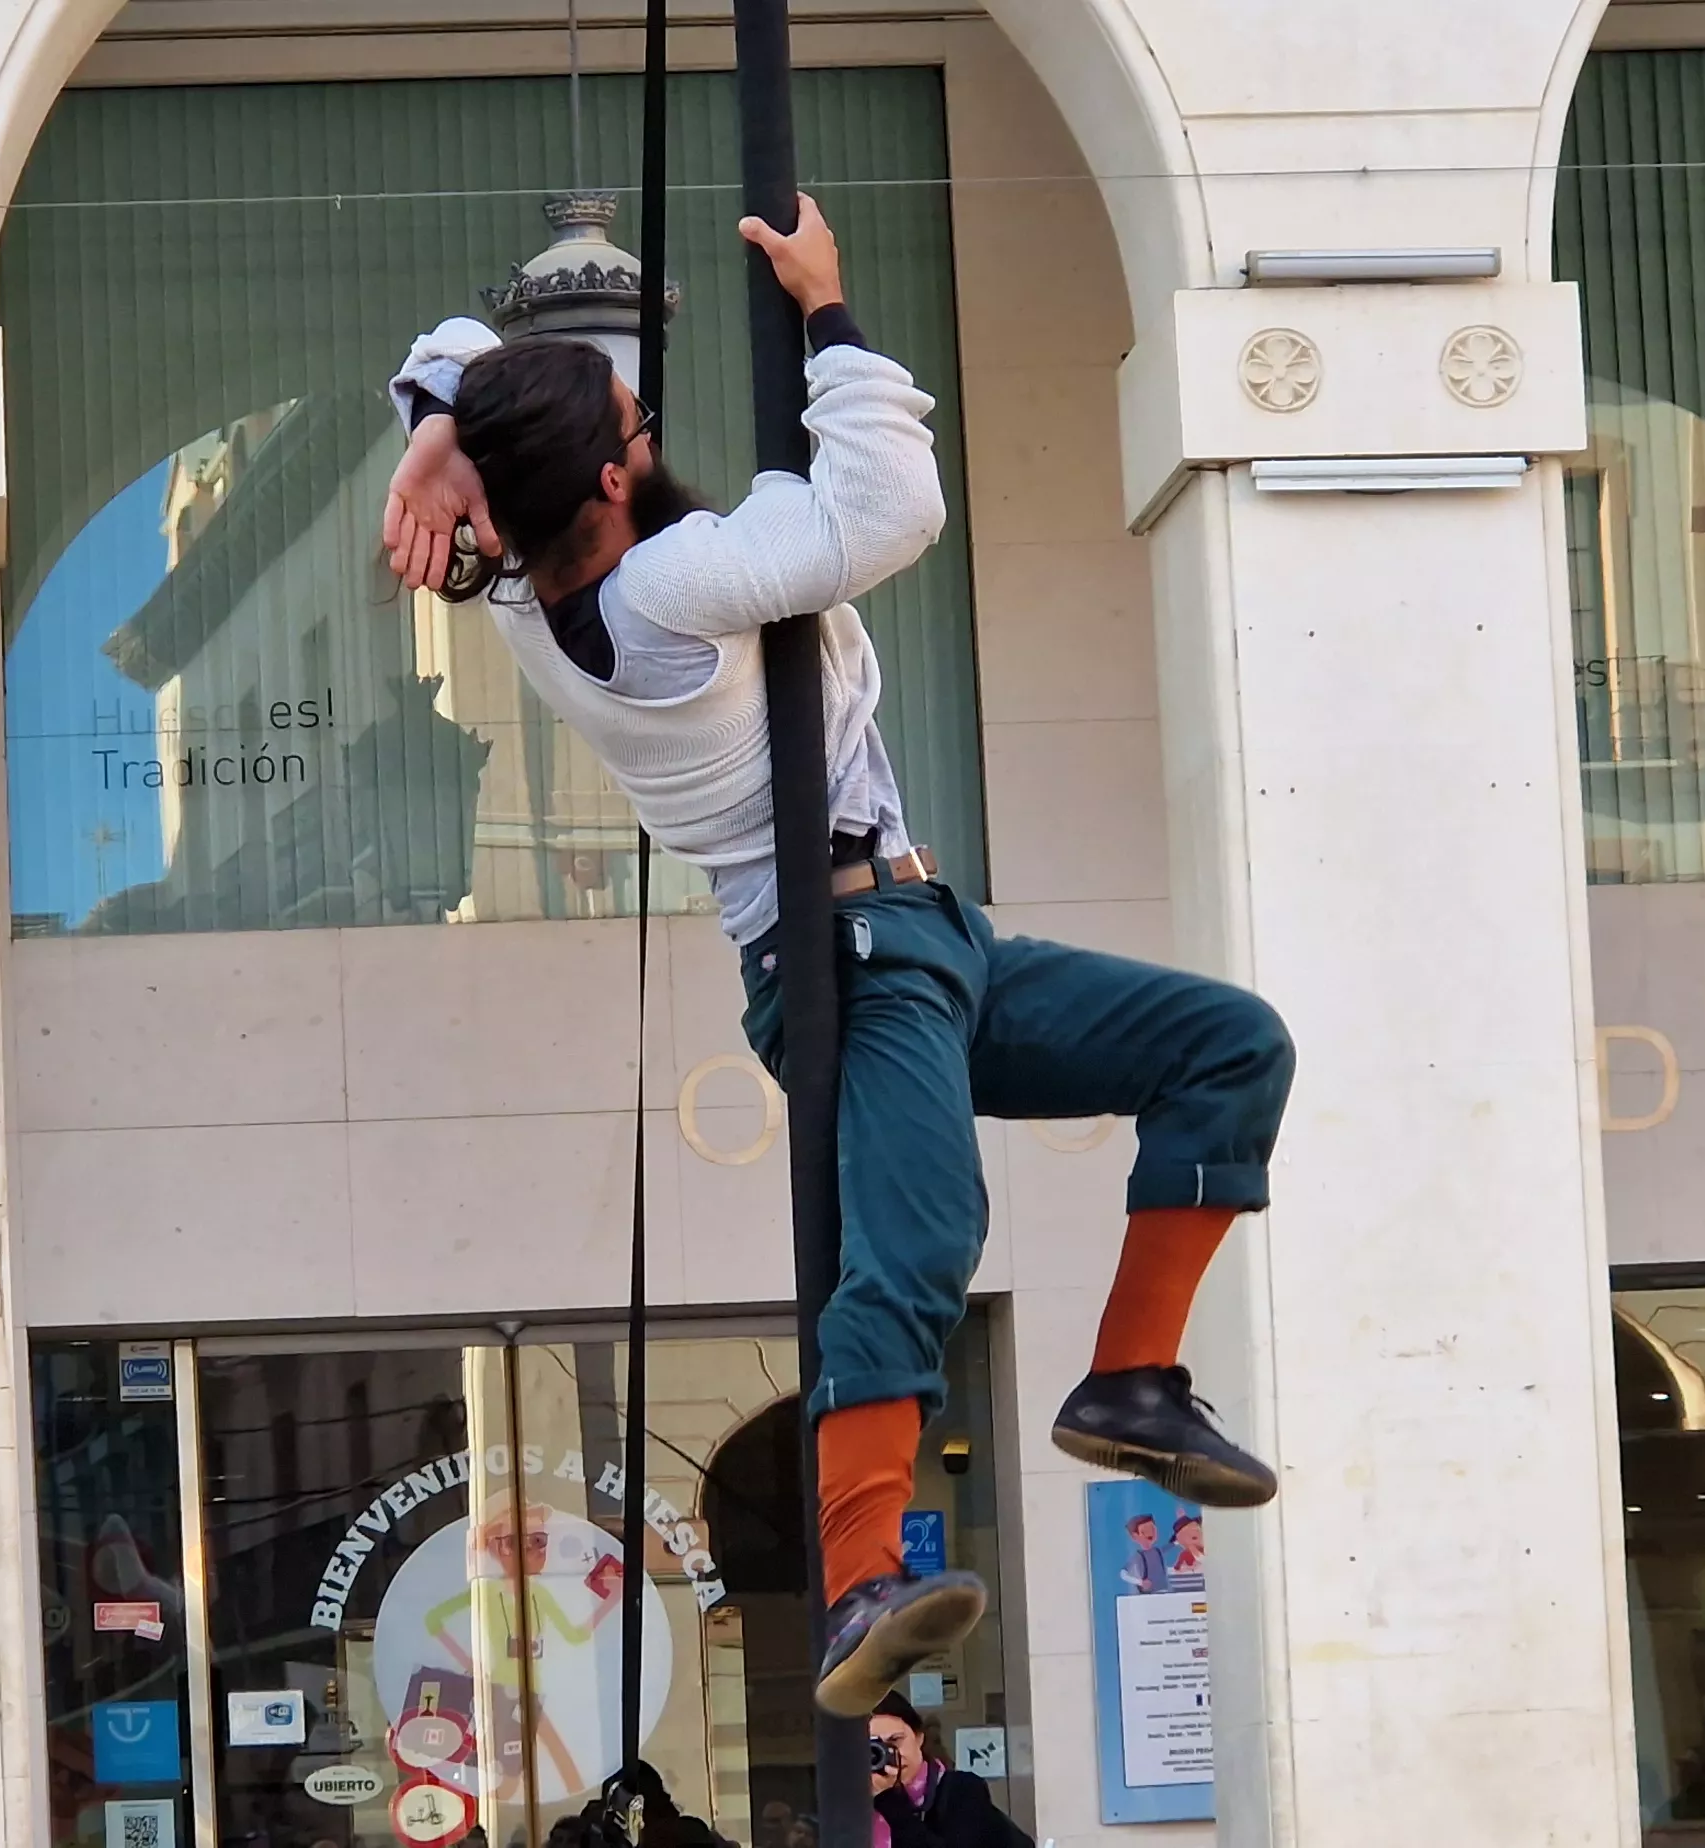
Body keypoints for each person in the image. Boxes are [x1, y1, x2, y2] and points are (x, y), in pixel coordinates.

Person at [382, 194, 1298, 1720]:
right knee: (923, 1244)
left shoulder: (555, 593)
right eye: (633, 415)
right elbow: (885, 513)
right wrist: (825, 307)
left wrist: (432, 430)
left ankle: (1131, 1381)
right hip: (851, 951)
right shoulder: (666, 595)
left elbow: (462, 351)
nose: (647, 412)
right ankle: (862, 1569)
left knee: (1229, 1046)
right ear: (611, 480)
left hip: (928, 936)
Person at [867, 1694, 1028, 1848]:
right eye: (875, 1749)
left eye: (895, 1740)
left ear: (919, 1737)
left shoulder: (960, 1791)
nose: (890, 1753)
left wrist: (887, 1798)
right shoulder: (850, 1802)